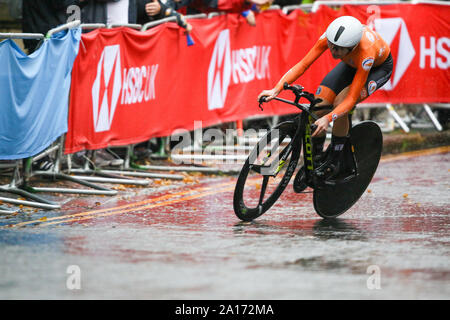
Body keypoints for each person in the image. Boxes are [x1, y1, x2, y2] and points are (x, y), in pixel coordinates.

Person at [258, 15, 393, 180]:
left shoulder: (366, 52)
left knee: (341, 104)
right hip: (350, 63)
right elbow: (303, 64)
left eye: (338, 49)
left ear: (352, 47)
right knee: (319, 105)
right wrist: (276, 89)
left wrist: (328, 119)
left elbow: (351, 98)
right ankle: (317, 156)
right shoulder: (328, 38)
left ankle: (335, 160)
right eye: (332, 46)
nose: (333, 51)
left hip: (377, 69)